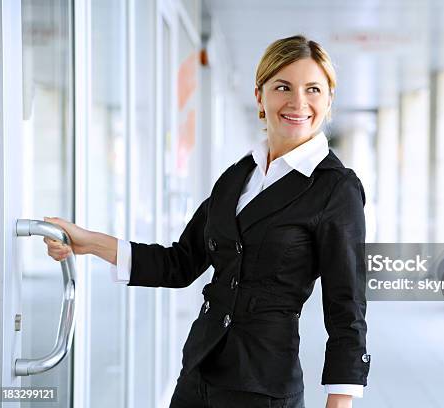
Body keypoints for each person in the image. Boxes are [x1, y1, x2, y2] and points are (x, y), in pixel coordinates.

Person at [44, 34, 370, 408]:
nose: (298, 102)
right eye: (283, 87)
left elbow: (347, 306)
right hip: (198, 371)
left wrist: (340, 401)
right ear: (259, 95)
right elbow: (180, 263)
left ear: (329, 100)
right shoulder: (238, 175)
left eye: (313, 89)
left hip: (260, 383)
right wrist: (91, 242)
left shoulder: (335, 187)